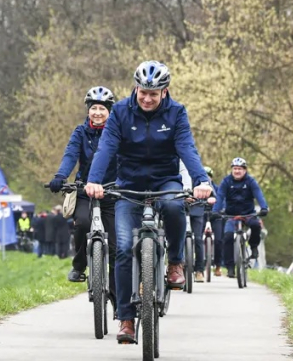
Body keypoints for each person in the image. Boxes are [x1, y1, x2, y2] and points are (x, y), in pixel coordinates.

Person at [85, 61, 212, 344]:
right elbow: (106, 148)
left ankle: (175, 262)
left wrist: (202, 181)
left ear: (164, 92)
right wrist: (93, 181)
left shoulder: (177, 113)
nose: (147, 98)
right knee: (122, 250)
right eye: (143, 92)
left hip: (165, 180)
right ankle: (126, 319)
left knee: (173, 206)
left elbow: (187, 148)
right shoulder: (119, 112)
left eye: (154, 94)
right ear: (136, 88)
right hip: (128, 184)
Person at [48, 86, 118, 291]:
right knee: (82, 224)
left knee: (115, 244)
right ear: (88, 110)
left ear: (109, 111)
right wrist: (61, 176)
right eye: (94, 108)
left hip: (113, 191)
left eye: (102, 109)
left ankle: (116, 287)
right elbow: (70, 155)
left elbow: (125, 159)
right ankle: (79, 265)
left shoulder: (116, 133)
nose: (97, 112)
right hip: (84, 190)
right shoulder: (80, 132)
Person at [212, 157, 269, 277]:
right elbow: (220, 196)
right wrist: (215, 210)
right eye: (235, 169)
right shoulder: (226, 181)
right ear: (232, 170)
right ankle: (230, 267)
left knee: (255, 226)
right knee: (227, 237)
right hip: (231, 215)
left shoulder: (250, 181)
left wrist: (264, 207)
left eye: (239, 169)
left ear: (245, 170)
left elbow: (259, 194)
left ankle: (254, 247)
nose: (237, 171)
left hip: (248, 214)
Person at [179, 161, 212, 283]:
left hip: (197, 208)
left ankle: (199, 271)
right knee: (179, 237)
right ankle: (179, 266)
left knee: (198, 239)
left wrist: (210, 196)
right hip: (181, 207)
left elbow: (208, 186)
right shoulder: (179, 169)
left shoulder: (197, 170)